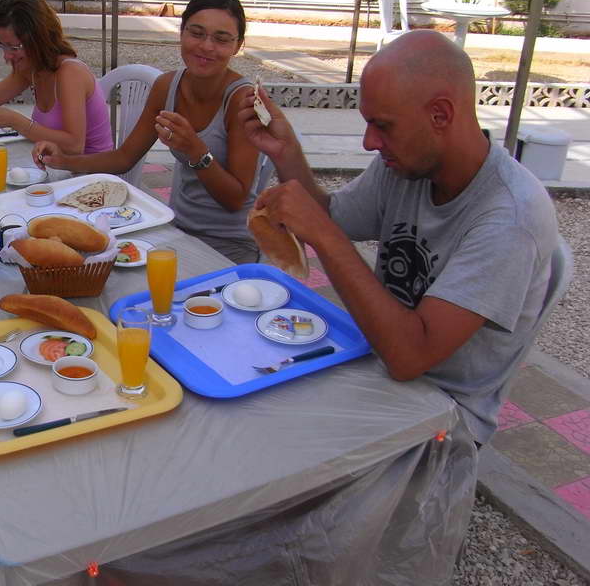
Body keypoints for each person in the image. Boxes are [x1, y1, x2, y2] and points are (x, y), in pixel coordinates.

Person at [237, 29, 558, 445]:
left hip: (443, 414)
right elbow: (333, 216)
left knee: (267, 441)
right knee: (246, 386)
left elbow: (410, 357)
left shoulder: (511, 218)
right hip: (376, 360)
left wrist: (323, 237)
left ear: (440, 115)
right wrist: (286, 152)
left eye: (382, 126)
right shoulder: (408, 165)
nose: (370, 142)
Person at [33, 0, 263, 263]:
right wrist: (63, 160)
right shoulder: (167, 86)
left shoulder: (242, 100)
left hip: (229, 245)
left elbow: (236, 199)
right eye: (196, 33)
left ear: (237, 46)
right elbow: (124, 158)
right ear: (181, 33)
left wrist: (196, 152)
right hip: (175, 228)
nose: (206, 47)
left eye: (221, 39)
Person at [0, 0, 113, 155]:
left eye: (14, 47)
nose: (6, 55)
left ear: (39, 40)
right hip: (56, 166)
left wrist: (15, 121)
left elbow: (74, 146)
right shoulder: (32, 67)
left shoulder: (70, 73)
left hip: (92, 174)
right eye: (2, 45)